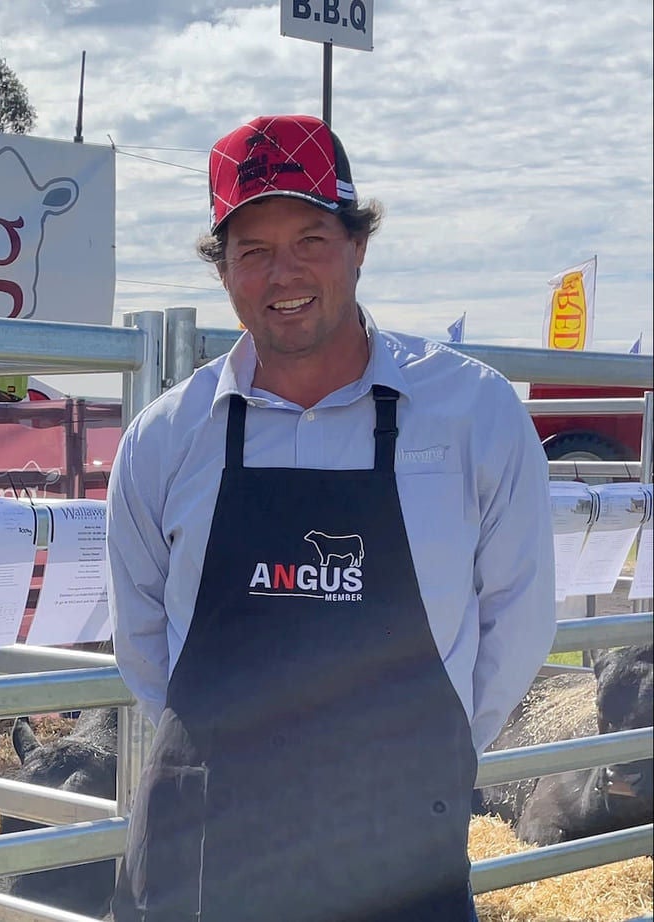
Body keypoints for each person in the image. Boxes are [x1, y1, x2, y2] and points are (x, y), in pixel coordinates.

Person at [106, 115, 555, 921]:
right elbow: (143, 646)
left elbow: (517, 622)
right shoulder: (167, 438)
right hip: (206, 849)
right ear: (224, 272)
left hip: (397, 853)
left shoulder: (470, 414)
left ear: (358, 246)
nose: (284, 273)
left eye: (311, 239)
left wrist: (420, 764)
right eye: (253, 251)